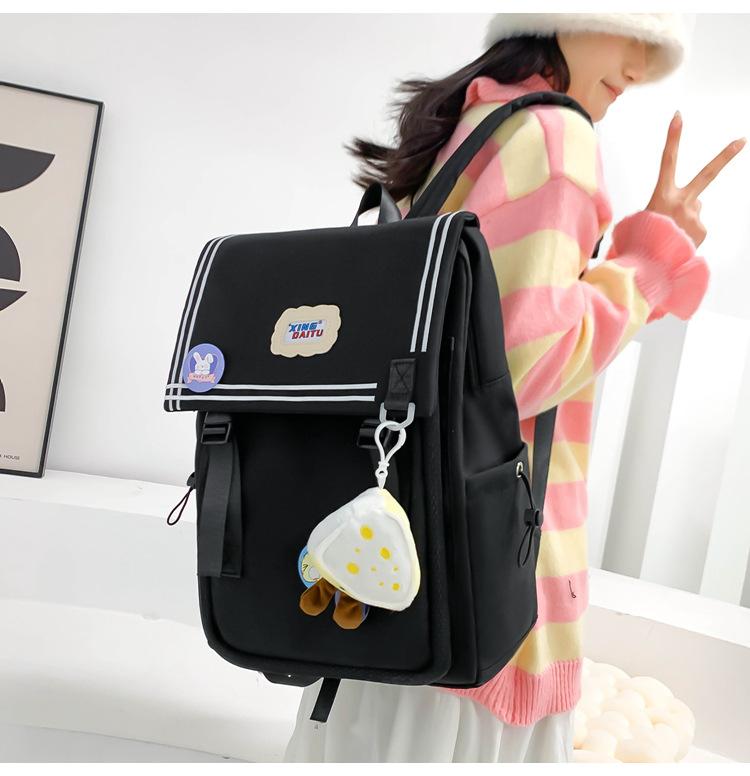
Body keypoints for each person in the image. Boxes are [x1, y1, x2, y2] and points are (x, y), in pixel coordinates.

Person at [283, 13, 745, 763]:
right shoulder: (558, 139)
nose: (637, 69)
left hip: (389, 561)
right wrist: (651, 261)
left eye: (653, 52)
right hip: (483, 581)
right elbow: (524, 367)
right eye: (631, 31)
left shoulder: (472, 126)